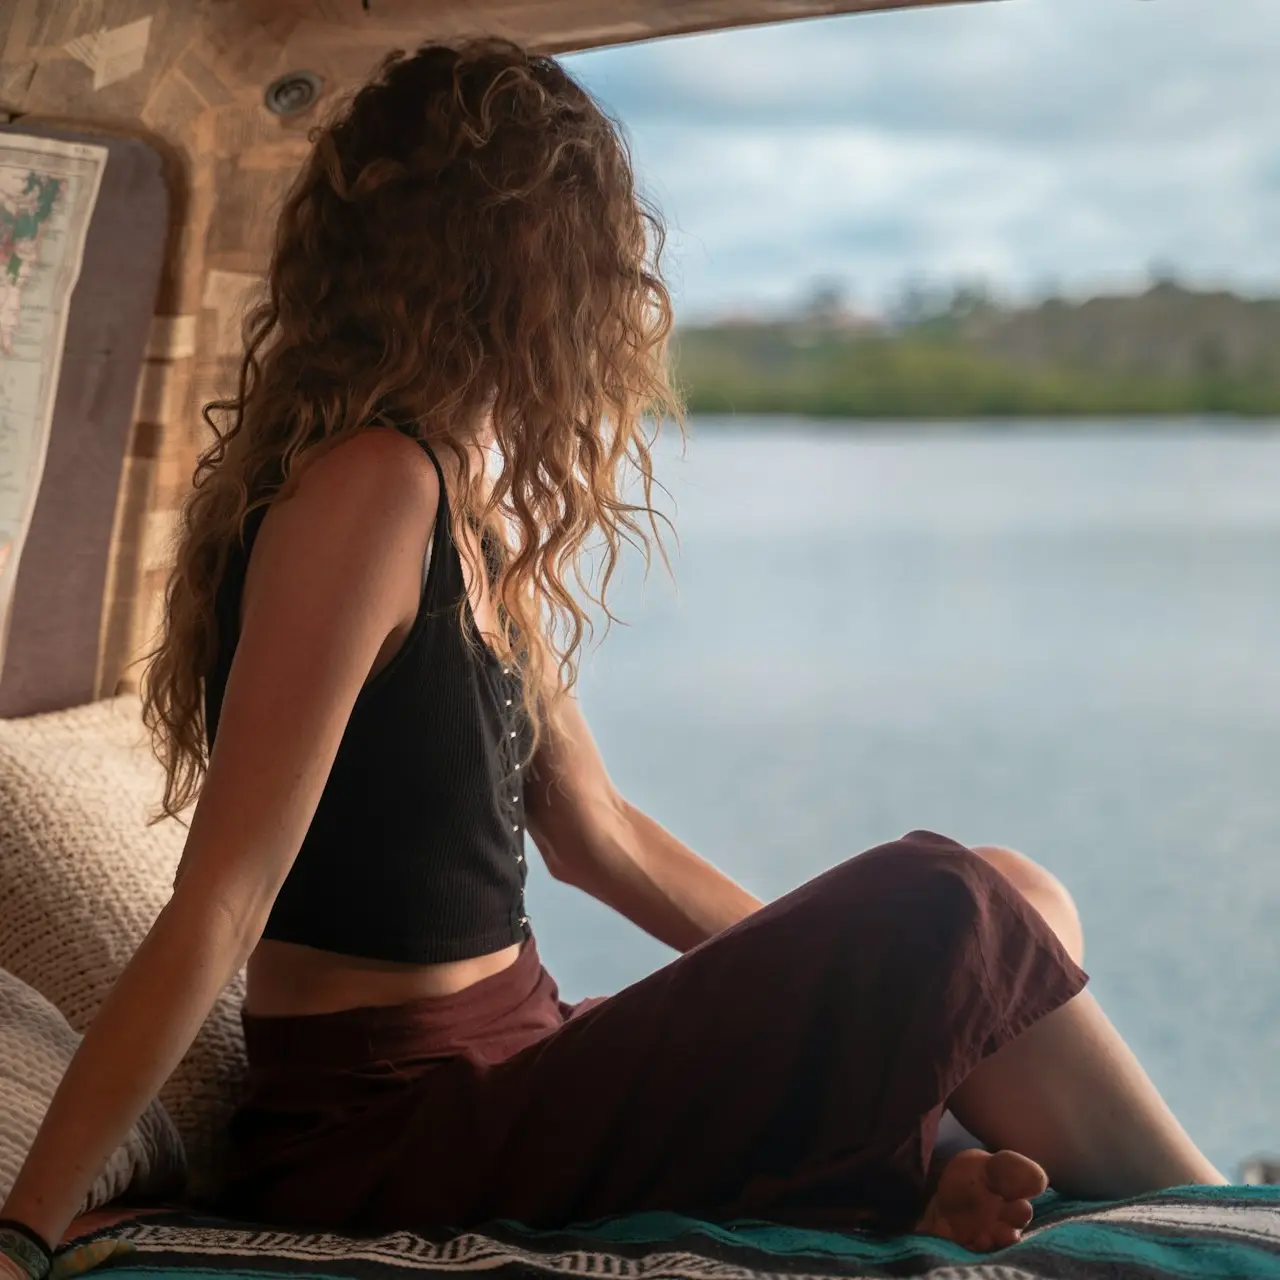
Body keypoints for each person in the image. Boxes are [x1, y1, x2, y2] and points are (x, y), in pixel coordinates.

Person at [0, 38, 1226, 1280]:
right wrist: (26, 1223)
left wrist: (856, 1004)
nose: (613, 295)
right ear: (522, 263)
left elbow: (597, 835)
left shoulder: (460, 503)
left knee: (1013, 905)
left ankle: (944, 1163)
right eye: (594, 253)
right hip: (391, 1125)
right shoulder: (363, 490)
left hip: (520, 1057)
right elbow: (223, 897)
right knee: (955, 899)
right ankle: (1208, 1216)